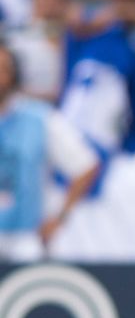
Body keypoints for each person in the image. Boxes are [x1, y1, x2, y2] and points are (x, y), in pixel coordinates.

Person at [0, 43, 98, 262]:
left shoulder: (39, 118)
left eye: (3, 69)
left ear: (14, 75)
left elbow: (86, 166)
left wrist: (59, 218)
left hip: (24, 237)